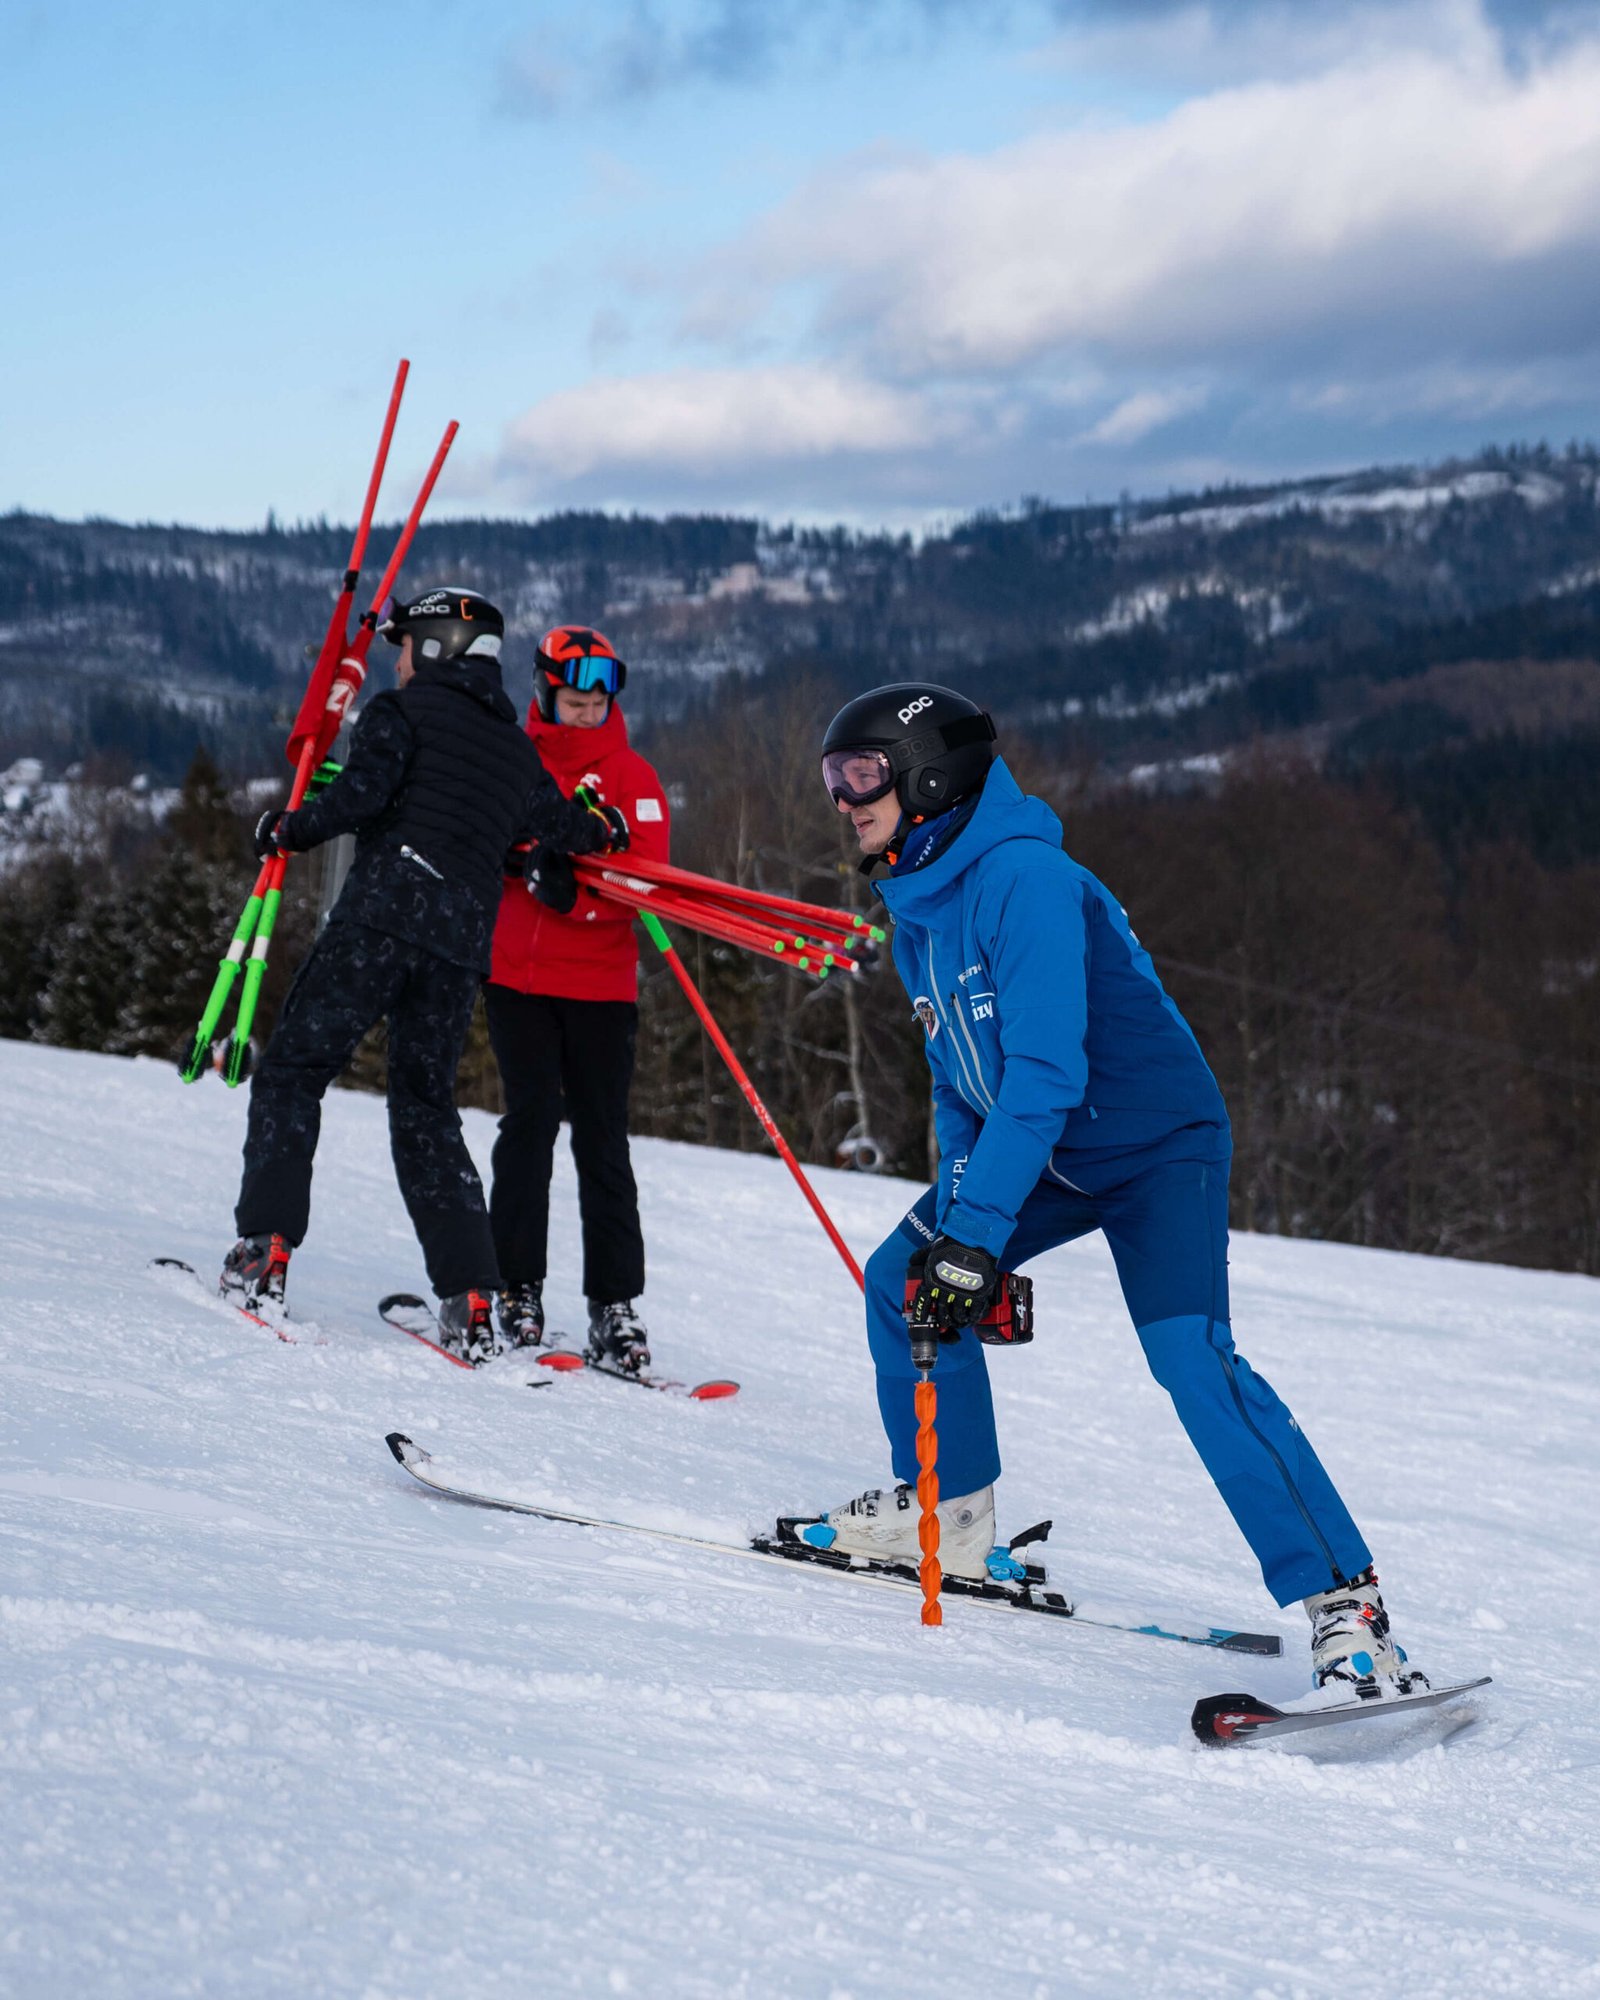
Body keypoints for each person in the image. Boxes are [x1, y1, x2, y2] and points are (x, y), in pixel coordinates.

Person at [787, 682, 1424, 1697]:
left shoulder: (1026, 879)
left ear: (930, 777)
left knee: (1191, 1359)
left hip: (1155, 1148)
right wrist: (964, 1229)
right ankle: (949, 1515)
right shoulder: (917, 912)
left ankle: (1347, 1606)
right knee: (906, 1277)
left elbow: (1046, 1073)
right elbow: (959, 1089)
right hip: (1042, 1151)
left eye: (862, 773)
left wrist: (978, 1233)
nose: (842, 797)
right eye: (833, 777)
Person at [219, 588, 629, 1362]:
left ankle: (262, 1250)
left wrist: (287, 829)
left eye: (407, 646)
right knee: (425, 1109)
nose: (399, 661)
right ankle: (470, 1295)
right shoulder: (517, 751)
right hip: (458, 948)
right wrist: (604, 828)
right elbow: (564, 827)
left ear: (437, 647)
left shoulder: (400, 713)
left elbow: (359, 797)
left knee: (295, 1071)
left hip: (380, 919)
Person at [483, 625, 671, 1374]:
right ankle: (515, 1286)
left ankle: (614, 1305)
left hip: (600, 985)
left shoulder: (634, 777)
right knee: (529, 1126)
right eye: (574, 702)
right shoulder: (513, 762)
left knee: (602, 1139)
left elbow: (649, 882)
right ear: (545, 694)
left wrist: (577, 898)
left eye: (598, 703)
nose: (588, 714)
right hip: (517, 980)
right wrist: (512, 861)